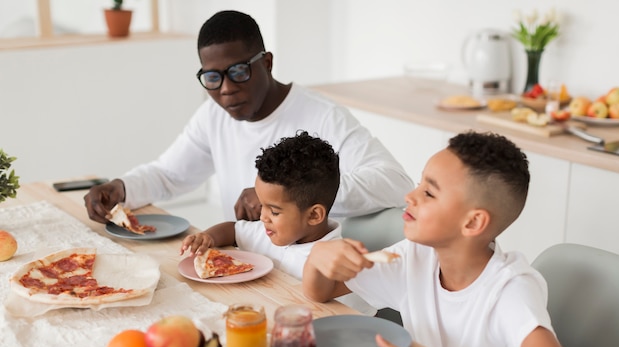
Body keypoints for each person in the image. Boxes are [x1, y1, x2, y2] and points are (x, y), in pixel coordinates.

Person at [302, 131, 581, 347]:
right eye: (419, 183)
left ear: (472, 222)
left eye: (428, 192)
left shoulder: (510, 288)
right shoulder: (416, 255)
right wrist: (318, 259)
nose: (409, 196)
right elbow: (322, 290)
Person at [83, 10, 413, 224]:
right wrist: (121, 188)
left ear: (267, 62)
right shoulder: (213, 115)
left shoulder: (323, 116)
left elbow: (395, 183)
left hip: (314, 280)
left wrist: (285, 194)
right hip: (248, 266)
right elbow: (169, 175)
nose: (225, 89)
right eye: (212, 77)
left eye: (238, 71)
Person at [181, 131, 375, 314]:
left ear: (314, 215)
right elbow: (232, 229)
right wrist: (208, 237)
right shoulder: (267, 231)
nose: (263, 217)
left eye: (274, 211)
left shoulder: (335, 261)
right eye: (261, 205)